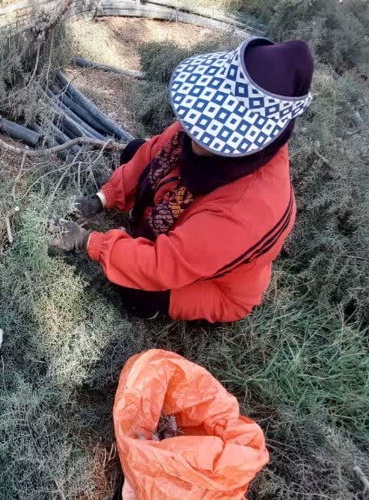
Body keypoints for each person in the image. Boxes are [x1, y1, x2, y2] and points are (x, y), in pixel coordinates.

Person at [50, 38, 314, 324]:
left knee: (137, 289)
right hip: (196, 225)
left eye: (213, 136)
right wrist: (103, 198)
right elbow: (155, 151)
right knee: (136, 150)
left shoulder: (247, 210)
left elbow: (163, 265)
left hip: (216, 285)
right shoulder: (206, 126)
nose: (194, 139)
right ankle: (146, 225)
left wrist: (88, 241)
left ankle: (153, 308)